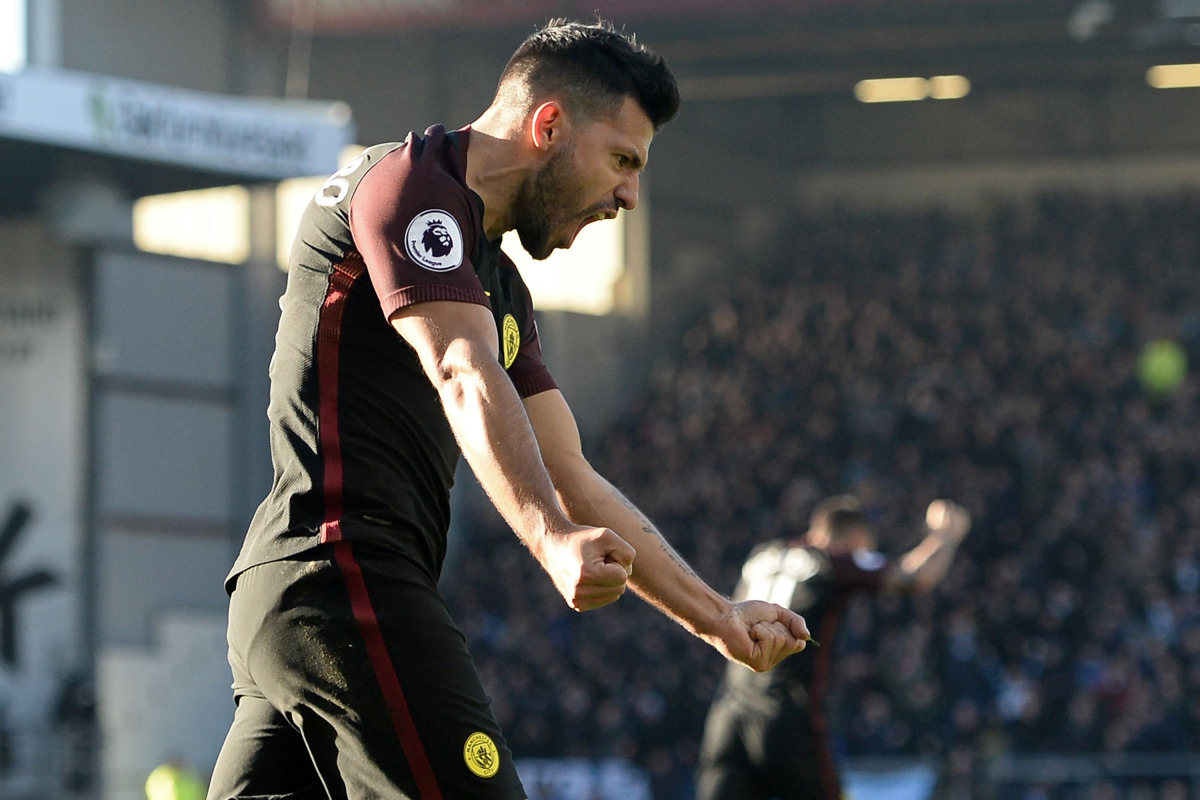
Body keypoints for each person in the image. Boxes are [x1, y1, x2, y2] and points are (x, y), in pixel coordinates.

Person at [207, 19, 812, 800]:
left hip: (299, 596)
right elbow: (460, 368)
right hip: (342, 575)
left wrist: (718, 617)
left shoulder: (496, 284)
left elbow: (574, 476)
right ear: (549, 125)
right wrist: (551, 540)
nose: (630, 195)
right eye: (623, 160)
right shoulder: (409, 184)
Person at [695, 494, 971, 800]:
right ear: (853, 537)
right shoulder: (833, 558)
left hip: (728, 713)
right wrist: (945, 534)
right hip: (787, 714)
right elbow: (915, 577)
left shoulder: (762, 556)